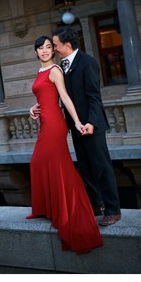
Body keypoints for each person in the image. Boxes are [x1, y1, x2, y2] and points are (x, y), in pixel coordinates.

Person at [26, 36, 103, 254]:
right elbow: (45, 96)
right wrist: (33, 108)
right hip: (45, 122)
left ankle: (70, 209)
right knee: (39, 163)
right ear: (35, 52)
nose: (44, 51)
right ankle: (48, 208)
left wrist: (77, 121)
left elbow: (65, 98)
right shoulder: (41, 72)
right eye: (40, 48)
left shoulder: (55, 70)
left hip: (55, 124)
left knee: (55, 164)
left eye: (49, 47)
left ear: (53, 51)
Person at [48, 25, 121, 226]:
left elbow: (94, 97)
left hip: (92, 126)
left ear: (68, 45)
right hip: (75, 127)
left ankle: (113, 210)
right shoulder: (61, 66)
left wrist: (91, 123)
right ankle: (95, 206)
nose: (53, 49)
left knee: (102, 168)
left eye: (55, 45)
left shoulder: (87, 62)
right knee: (86, 169)